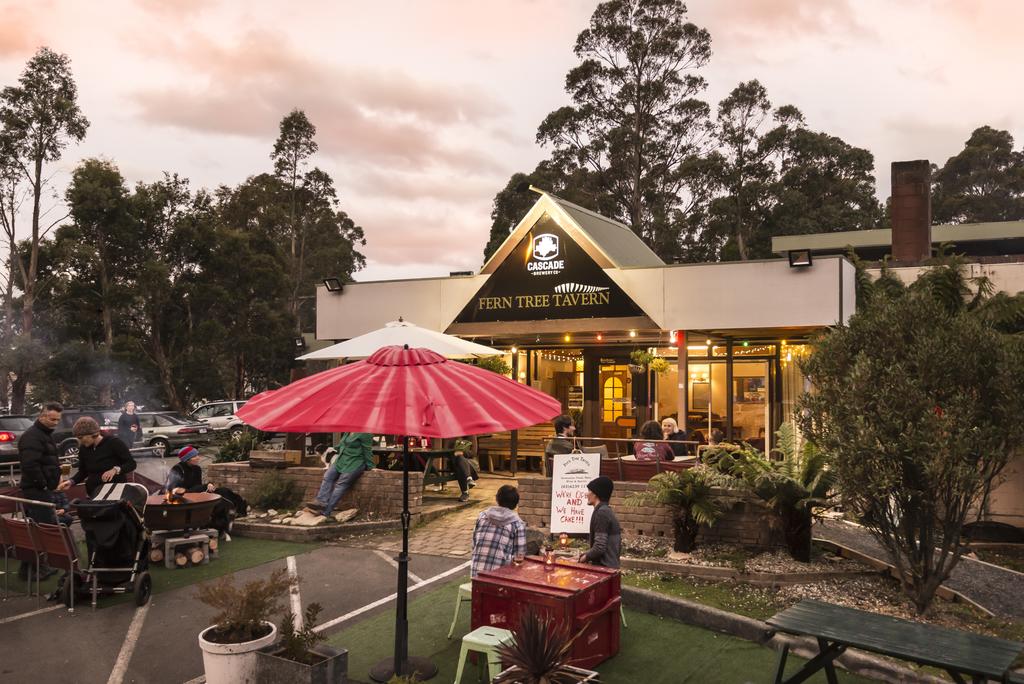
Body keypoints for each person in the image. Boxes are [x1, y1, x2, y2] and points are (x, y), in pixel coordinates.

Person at [17, 402, 66, 580]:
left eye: (57, 420)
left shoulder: (42, 435)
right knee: (42, 529)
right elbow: (30, 464)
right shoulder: (33, 437)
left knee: (37, 529)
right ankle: (35, 568)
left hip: (40, 488)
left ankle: (31, 568)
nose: (55, 422)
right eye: (52, 419)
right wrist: (44, 484)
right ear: (42, 416)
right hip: (37, 490)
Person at [163, 445, 239, 539]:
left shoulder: (197, 469)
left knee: (223, 492)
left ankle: (223, 527)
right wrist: (201, 488)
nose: (198, 457)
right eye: (195, 456)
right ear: (188, 459)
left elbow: (198, 486)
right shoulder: (177, 470)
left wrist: (208, 486)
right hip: (182, 499)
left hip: (196, 495)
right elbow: (174, 490)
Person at [304, 432, 373, 518]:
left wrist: (371, 466)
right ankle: (321, 502)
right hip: (341, 460)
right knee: (327, 476)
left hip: (355, 462)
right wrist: (329, 449)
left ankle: (326, 511)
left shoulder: (366, 434)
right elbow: (341, 445)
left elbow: (367, 451)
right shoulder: (348, 432)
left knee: (340, 485)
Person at [69, 417, 137, 498]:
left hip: (115, 492)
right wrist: (71, 482)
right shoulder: (83, 449)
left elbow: (131, 464)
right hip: (94, 492)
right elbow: (83, 472)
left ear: (93, 434)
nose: (79, 441)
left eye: (81, 438)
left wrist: (115, 470)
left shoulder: (114, 443)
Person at [471, 485, 526, 577]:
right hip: (499, 578)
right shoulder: (517, 524)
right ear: (516, 504)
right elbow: (519, 556)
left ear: (497, 499)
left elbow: (474, 544)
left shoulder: (482, 516)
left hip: (476, 574)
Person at [577, 476, 621, 568]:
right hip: (608, 567)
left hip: (605, 568)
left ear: (596, 494)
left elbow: (599, 547)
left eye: (589, 491)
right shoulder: (604, 510)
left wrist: (584, 558)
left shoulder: (602, 513)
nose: (586, 494)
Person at [451, 436, 479, 503]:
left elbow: (474, 452)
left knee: (461, 464)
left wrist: (463, 453)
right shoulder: (452, 436)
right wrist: (454, 453)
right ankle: (469, 479)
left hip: (470, 462)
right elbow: (447, 450)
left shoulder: (472, 436)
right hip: (455, 461)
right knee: (460, 461)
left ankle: (465, 492)